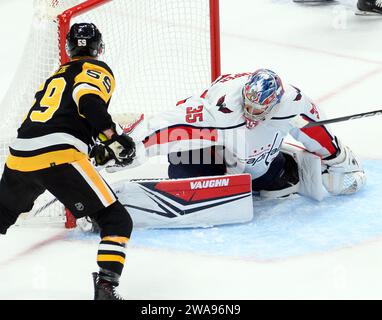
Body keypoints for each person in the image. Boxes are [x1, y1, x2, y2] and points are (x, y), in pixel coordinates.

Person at [0, 23, 136, 300]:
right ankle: (106, 289)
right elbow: (88, 102)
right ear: (99, 48)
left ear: (68, 48)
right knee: (116, 221)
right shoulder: (96, 70)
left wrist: (95, 143)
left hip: (20, 154)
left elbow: (60, 116)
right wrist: (113, 137)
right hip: (59, 155)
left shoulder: (54, 76)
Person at [105, 69, 365, 199]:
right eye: (248, 105)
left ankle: (283, 166)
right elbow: (173, 126)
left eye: (259, 108)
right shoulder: (222, 109)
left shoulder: (293, 104)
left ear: (275, 102)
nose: (251, 112)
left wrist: (338, 159)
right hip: (216, 142)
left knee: (261, 177)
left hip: (250, 155)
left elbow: (316, 132)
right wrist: (133, 149)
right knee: (181, 167)